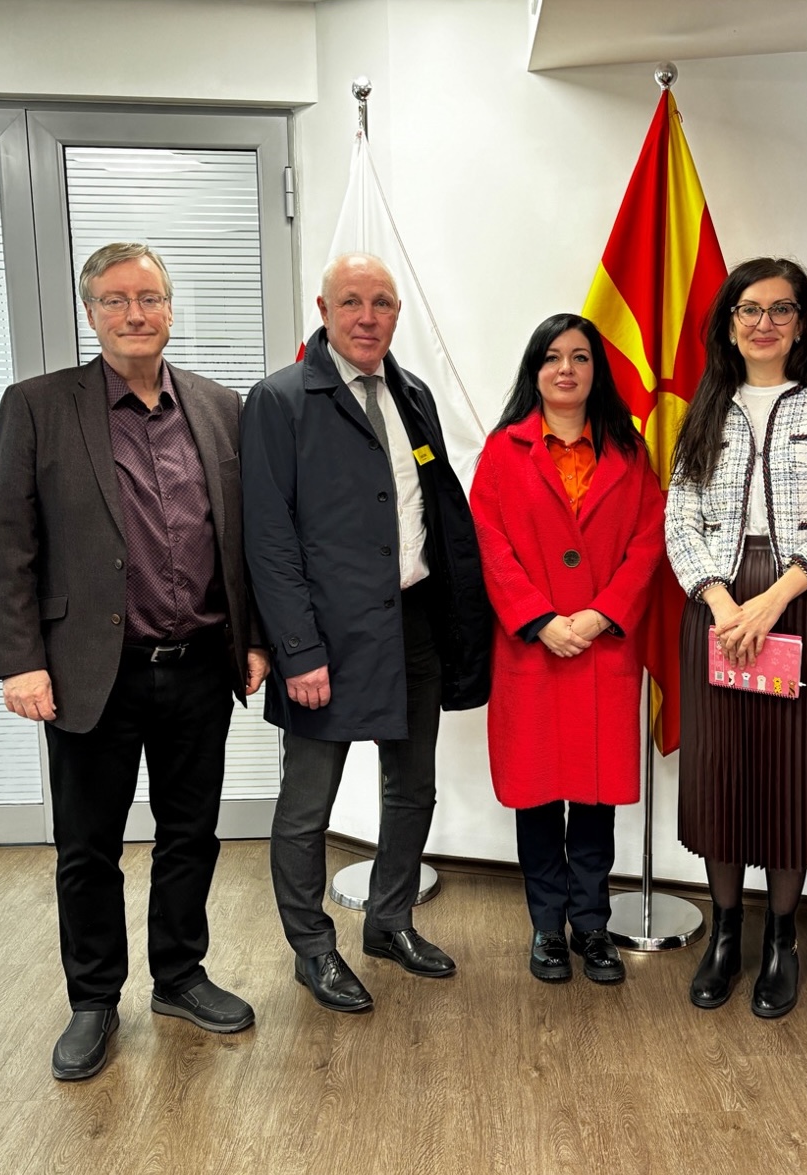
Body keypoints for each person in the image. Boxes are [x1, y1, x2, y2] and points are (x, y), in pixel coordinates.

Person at [0, 242, 270, 1081]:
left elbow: (243, 539)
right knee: (88, 846)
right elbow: (9, 543)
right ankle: (94, 998)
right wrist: (20, 661)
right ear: (91, 313)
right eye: (115, 301)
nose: (134, 313)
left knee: (191, 834)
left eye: (148, 297)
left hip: (199, 668)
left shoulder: (219, 408)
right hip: (84, 671)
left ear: (171, 309)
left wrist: (251, 637)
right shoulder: (37, 406)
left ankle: (179, 976)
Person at [241, 253, 491, 1014]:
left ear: (396, 313)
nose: (366, 316)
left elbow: (432, 510)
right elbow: (268, 539)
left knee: (412, 786)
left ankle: (389, 921)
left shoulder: (411, 393)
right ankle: (312, 949)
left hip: (411, 624)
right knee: (307, 805)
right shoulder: (280, 399)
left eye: (382, 302)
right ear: (323, 308)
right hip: (326, 638)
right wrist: (298, 651)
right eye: (351, 301)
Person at [665, 257, 807, 1018]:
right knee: (723, 775)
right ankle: (726, 934)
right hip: (716, 604)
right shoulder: (707, 403)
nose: (764, 323)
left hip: (803, 601)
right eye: (748, 309)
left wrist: (777, 596)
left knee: (793, 777)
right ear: (729, 322)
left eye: (781, 309)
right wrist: (722, 602)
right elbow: (678, 516)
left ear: (802, 320)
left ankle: (782, 939)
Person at [469, 314, 665, 985]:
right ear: (535, 369)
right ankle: (547, 928)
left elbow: (648, 542)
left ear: (595, 371)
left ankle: (593, 925)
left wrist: (602, 613)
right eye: (552, 357)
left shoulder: (630, 451)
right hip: (533, 652)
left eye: (580, 357)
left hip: (604, 651)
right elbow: (489, 547)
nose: (566, 369)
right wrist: (539, 618)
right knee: (538, 795)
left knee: (595, 798)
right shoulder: (501, 452)